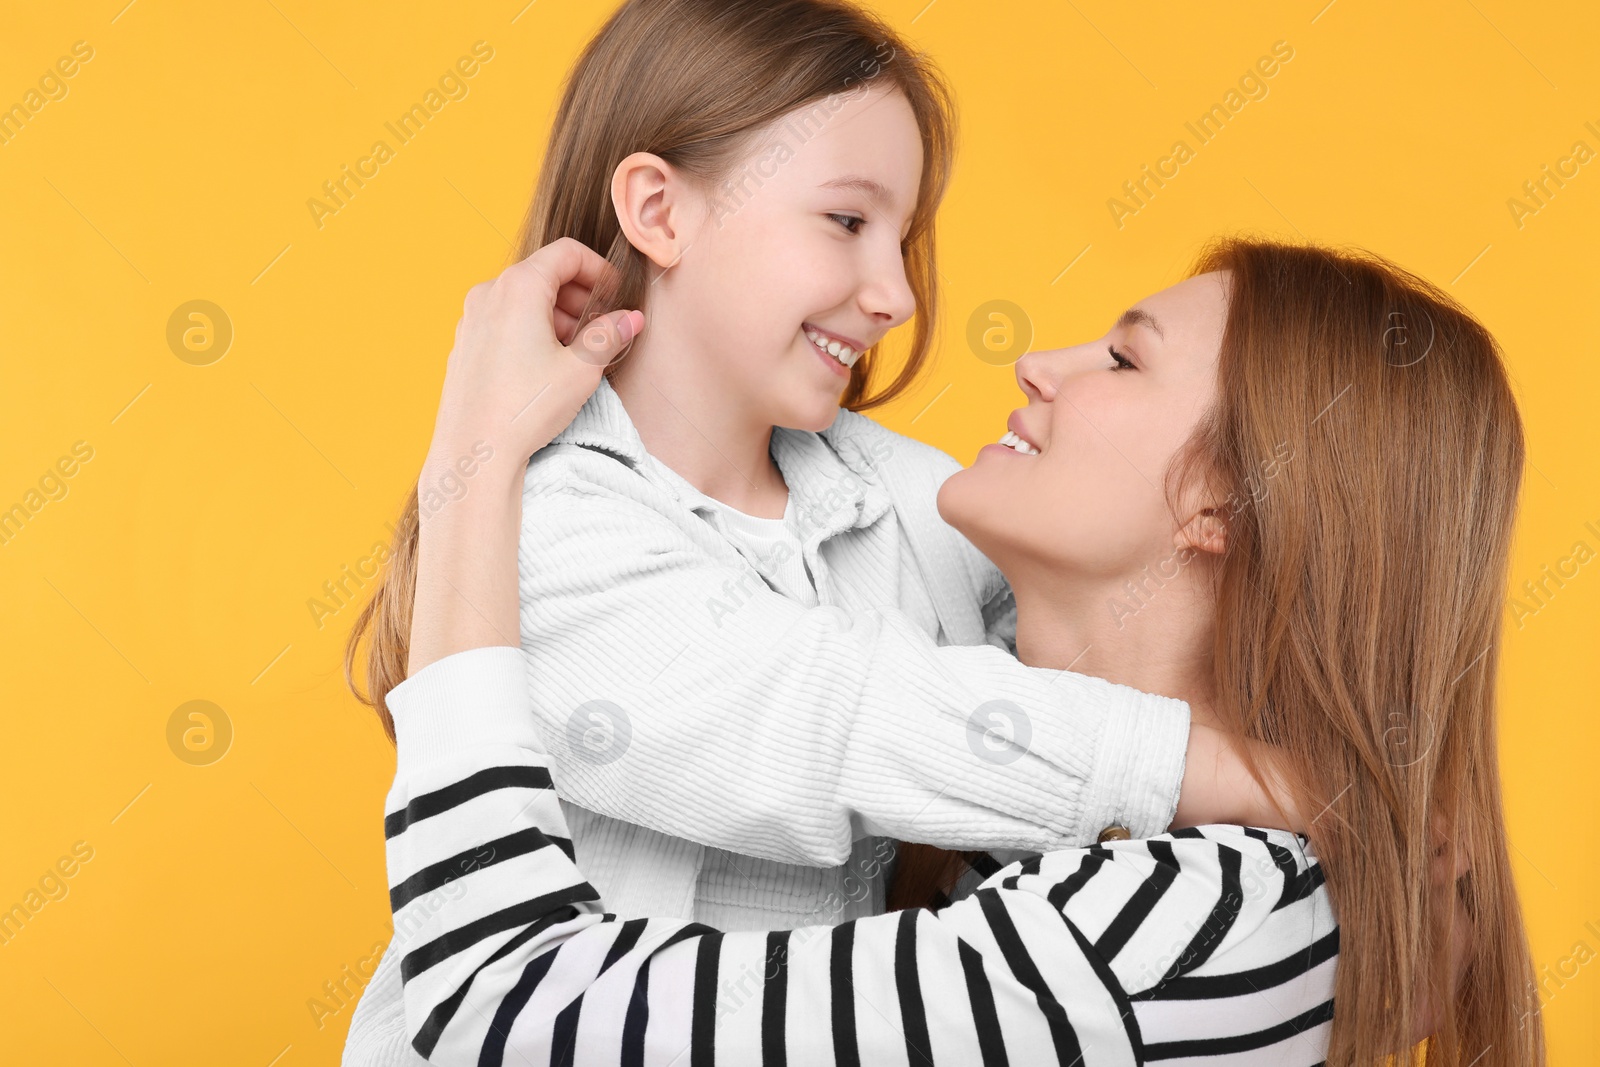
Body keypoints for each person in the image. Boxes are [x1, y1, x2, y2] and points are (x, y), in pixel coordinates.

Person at [344, 3, 1293, 1062]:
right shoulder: (545, 523)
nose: (891, 293)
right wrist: (1222, 771)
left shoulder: (905, 498)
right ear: (661, 211)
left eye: (904, 238)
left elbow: (1100, 630)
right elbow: (828, 715)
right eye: (846, 221)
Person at [376, 235, 1544, 1064]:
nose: (1042, 363)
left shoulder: (1166, 924)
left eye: (1123, 360)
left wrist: (471, 463)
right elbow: (857, 695)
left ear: (1225, 509)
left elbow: (503, 1006)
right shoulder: (1130, 845)